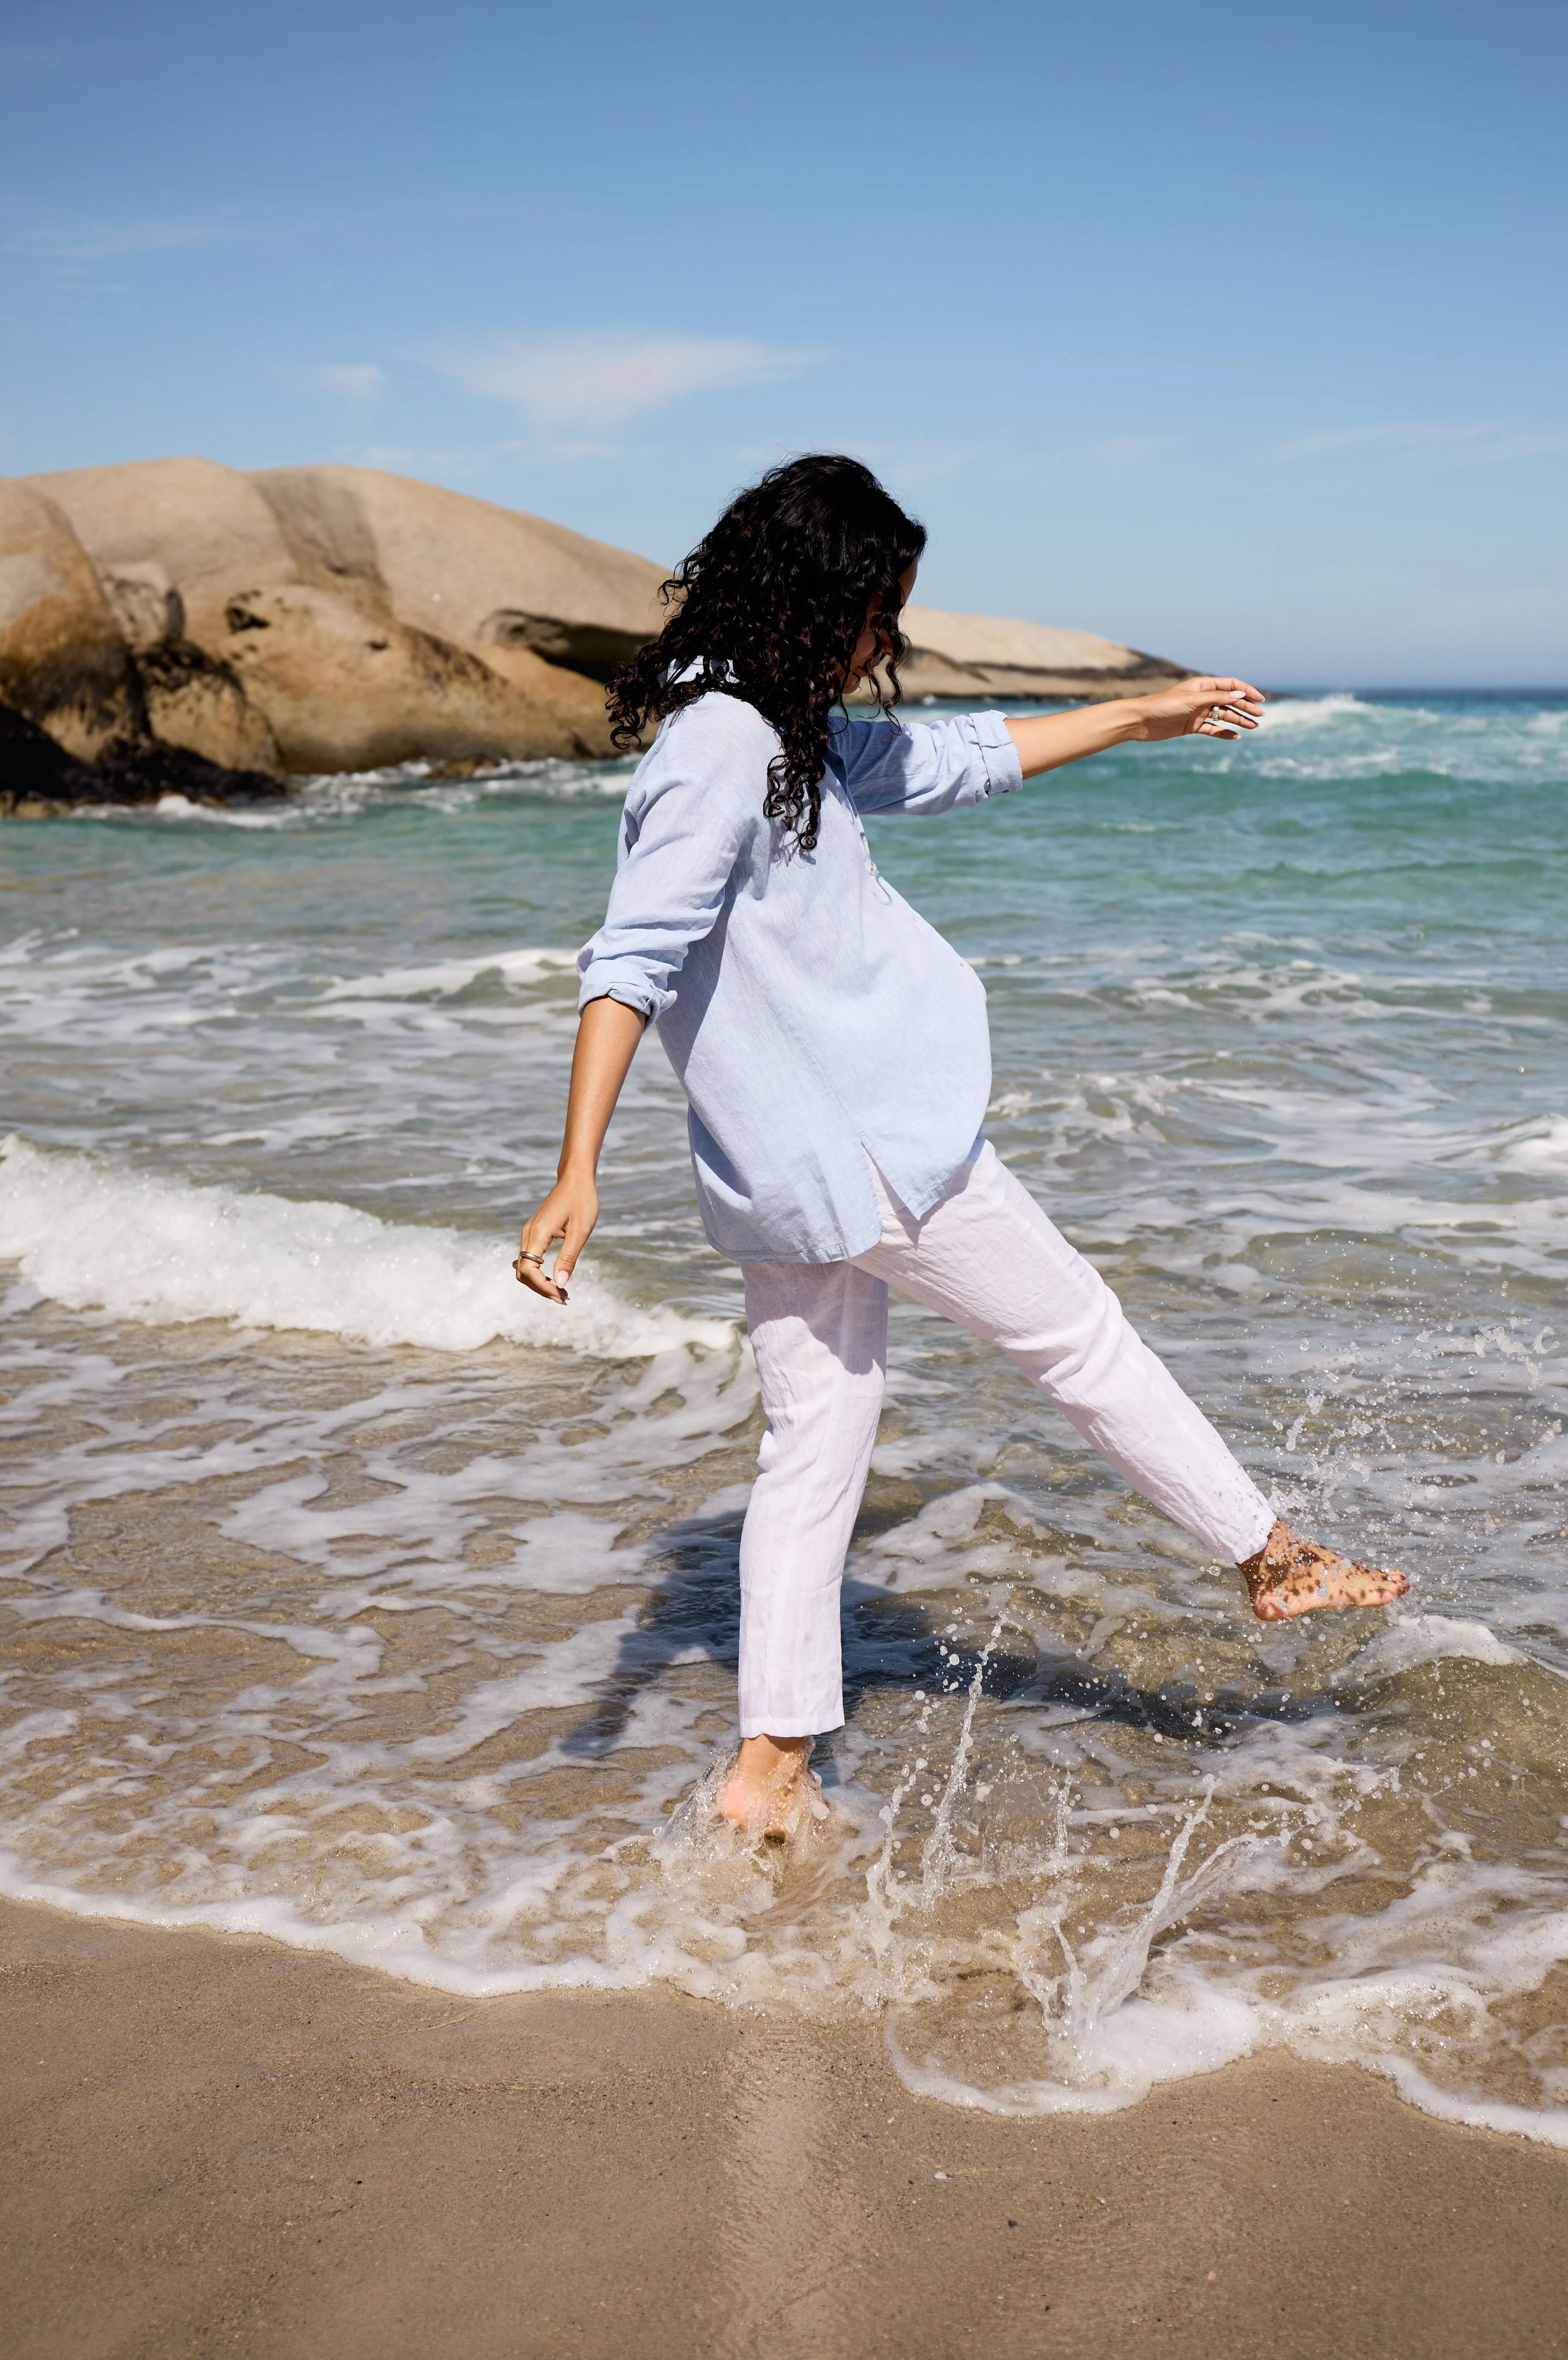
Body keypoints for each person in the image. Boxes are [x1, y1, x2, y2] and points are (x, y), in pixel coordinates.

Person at [515, 456, 1407, 1836]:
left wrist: (1140, 716)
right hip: (873, 1152)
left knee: (816, 1446)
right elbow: (629, 957)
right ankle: (1269, 1556)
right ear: (821, 602)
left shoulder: (763, 724)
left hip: (787, 1175)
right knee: (1082, 1343)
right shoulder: (725, 748)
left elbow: (957, 757)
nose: (890, 643)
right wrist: (576, 1172)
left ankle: (768, 1773)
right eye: (881, 613)